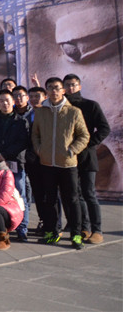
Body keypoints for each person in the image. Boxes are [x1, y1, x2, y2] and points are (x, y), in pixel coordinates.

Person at [31, 77, 89, 249]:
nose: (54, 91)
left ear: (63, 90)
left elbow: (84, 135)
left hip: (68, 164)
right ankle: (51, 232)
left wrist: (72, 150)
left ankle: (76, 234)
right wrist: (39, 149)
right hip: (47, 164)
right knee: (50, 200)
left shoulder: (74, 112)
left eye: (57, 88)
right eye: (50, 88)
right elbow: (35, 134)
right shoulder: (41, 112)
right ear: (46, 91)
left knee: (72, 200)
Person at [64, 74, 110, 245]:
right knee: (75, 195)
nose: (70, 88)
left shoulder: (91, 105)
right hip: (68, 158)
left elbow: (104, 128)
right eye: (67, 85)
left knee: (89, 193)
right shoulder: (63, 107)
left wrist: (89, 144)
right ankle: (85, 227)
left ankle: (97, 230)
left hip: (87, 156)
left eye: (73, 85)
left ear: (79, 86)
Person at [0, 89, 30, 241]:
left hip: (15, 162)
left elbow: (22, 142)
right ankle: (2, 226)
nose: (4, 103)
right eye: (1, 100)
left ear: (13, 102)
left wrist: (6, 154)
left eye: (7, 100)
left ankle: (22, 228)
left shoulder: (21, 121)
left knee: (19, 195)